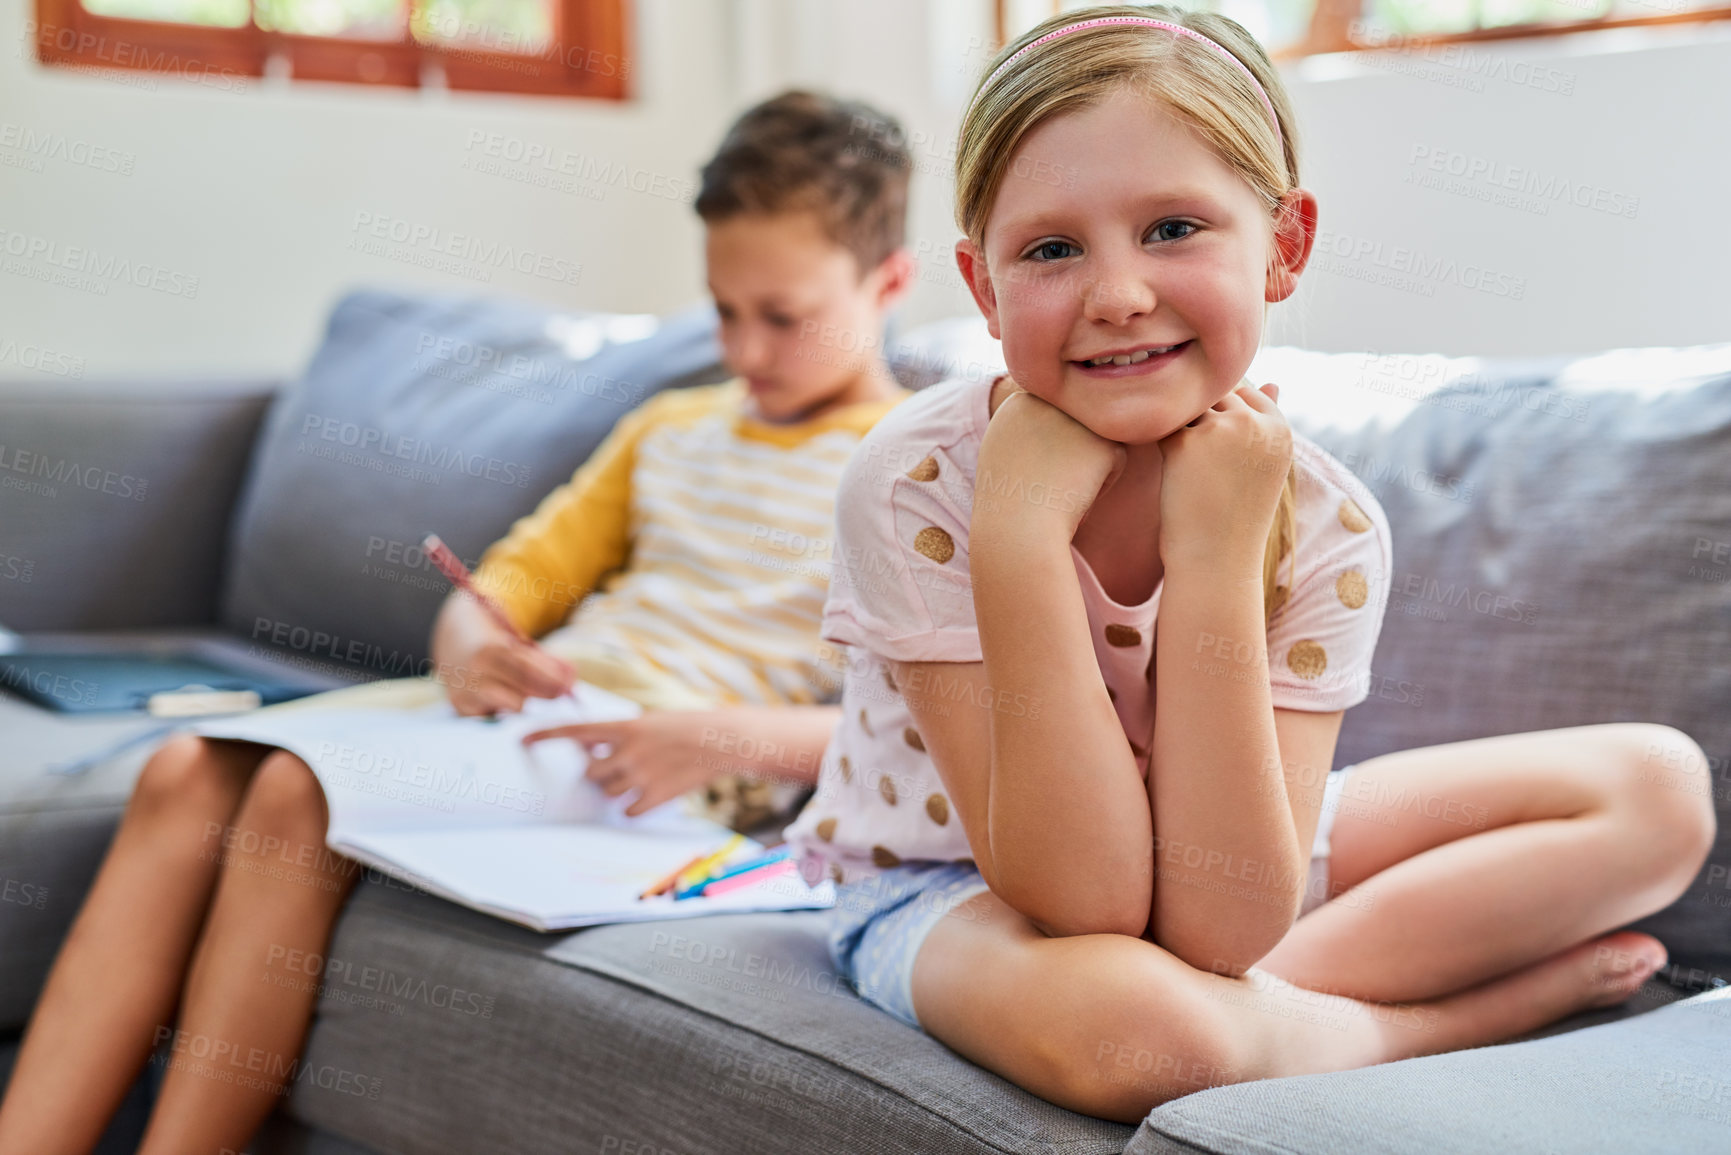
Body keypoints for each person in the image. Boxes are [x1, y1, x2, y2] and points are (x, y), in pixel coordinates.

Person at [780, 5, 1716, 1123]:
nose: (1118, 293)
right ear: (983, 289)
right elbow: (1086, 902)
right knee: (1145, 1033)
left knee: (1656, 790)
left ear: (1284, 244)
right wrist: (1020, 543)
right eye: (1052, 249)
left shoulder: (1324, 519)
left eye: (1174, 228)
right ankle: (1427, 1028)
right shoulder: (914, 484)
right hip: (959, 887)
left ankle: (1264, 1026)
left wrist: (1218, 561)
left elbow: (1222, 920)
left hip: (1223, 845)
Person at [0, 90, 916, 1154]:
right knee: (181, 770)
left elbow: (917, 733)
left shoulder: (908, 464)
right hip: (535, 718)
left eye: (783, 315)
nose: (745, 350)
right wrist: (473, 643)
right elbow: (506, 583)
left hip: (651, 770)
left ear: (890, 281)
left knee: (293, 791)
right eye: (722, 311)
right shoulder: (671, 426)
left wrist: (714, 739)